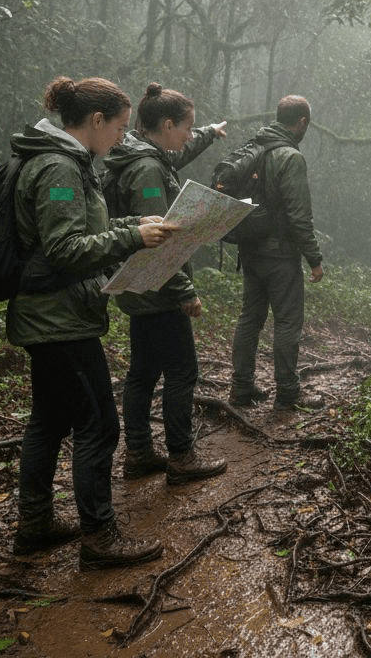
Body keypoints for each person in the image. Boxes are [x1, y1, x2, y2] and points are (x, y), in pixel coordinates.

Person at [8, 75, 173, 570]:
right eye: (120, 127)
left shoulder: (63, 160)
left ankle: (34, 526)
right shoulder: (59, 167)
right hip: (60, 320)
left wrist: (134, 227)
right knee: (99, 425)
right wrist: (131, 241)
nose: (123, 137)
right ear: (96, 121)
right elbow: (63, 250)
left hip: (52, 315)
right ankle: (99, 538)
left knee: (50, 420)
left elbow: (85, 232)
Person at [103, 83, 229, 484]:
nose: (189, 137)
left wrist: (209, 132)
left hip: (140, 287)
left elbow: (182, 153)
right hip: (156, 287)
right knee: (181, 370)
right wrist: (184, 292)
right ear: (168, 124)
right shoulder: (149, 169)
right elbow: (160, 240)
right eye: (188, 128)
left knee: (142, 371)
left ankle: (139, 453)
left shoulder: (144, 155)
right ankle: (181, 455)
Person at [227, 95, 324, 411]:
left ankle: (241, 389)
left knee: (250, 318)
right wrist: (314, 259)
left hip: (250, 249)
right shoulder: (290, 158)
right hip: (280, 255)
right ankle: (287, 393)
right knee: (286, 322)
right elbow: (299, 216)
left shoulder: (255, 147)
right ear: (302, 123)